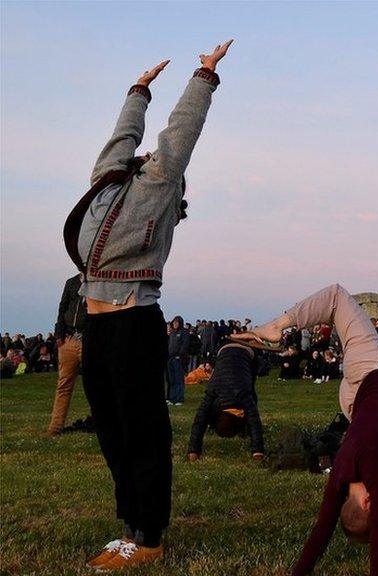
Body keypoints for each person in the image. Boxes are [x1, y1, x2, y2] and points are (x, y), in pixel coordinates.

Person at [66, 40, 232, 572]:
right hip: (96, 327)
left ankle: (150, 534)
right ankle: (128, 526)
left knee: (143, 430)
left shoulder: (158, 183)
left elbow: (180, 133)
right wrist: (138, 90)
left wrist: (203, 77)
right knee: (111, 429)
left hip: (136, 321)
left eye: (151, 159)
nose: (142, 155)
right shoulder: (107, 181)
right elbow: (123, 137)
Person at [230, 283, 378, 576]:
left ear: (369, 501)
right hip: (354, 405)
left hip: (369, 371)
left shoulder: (374, 466)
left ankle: (277, 327)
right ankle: (281, 335)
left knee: (336, 297)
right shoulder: (339, 475)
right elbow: (321, 530)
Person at [186, 342, 265, 461]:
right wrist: (193, 451)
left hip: (244, 353)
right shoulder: (213, 390)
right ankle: (247, 432)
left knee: (251, 395)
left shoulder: (235, 392)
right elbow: (200, 419)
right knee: (251, 395)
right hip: (225, 350)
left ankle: (247, 433)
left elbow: (200, 420)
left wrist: (193, 451)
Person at [46, 273, 88, 436]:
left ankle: (101, 424)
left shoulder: (98, 283)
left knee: (96, 385)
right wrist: (59, 336)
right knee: (64, 385)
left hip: (89, 340)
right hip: (69, 340)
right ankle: (55, 427)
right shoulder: (71, 283)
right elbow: (62, 308)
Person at [166, 315, 188, 405]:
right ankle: (172, 398)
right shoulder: (172, 333)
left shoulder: (184, 332)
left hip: (178, 359)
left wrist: (179, 355)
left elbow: (185, 345)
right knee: (172, 379)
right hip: (170, 358)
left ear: (180, 323)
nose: (174, 324)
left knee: (178, 379)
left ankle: (179, 399)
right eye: (173, 322)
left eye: (176, 322)